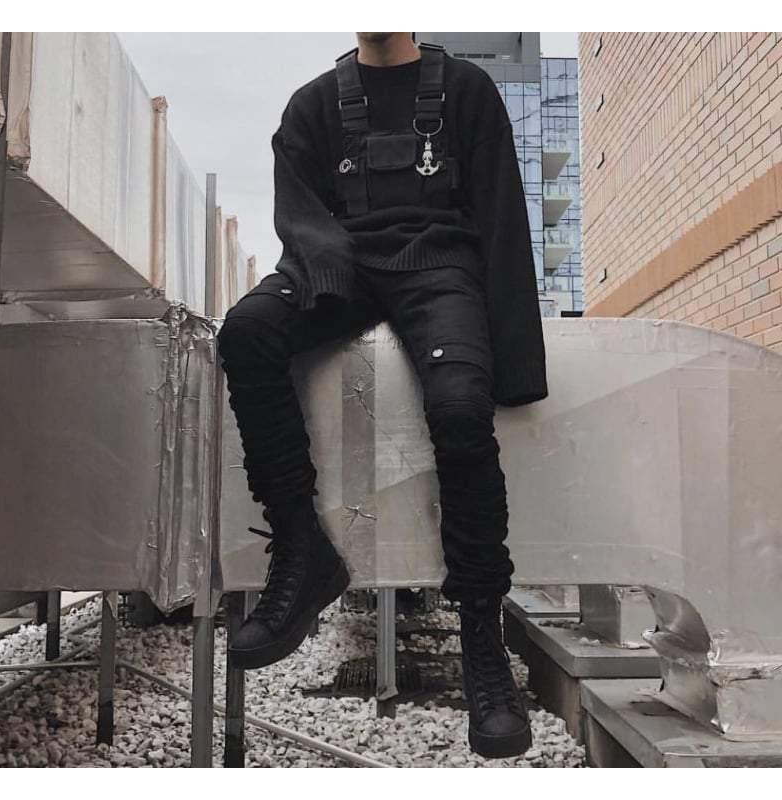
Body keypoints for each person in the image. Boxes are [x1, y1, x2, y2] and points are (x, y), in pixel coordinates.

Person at [217, 32, 548, 759]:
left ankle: (482, 637)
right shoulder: (311, 107)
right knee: (246, 331)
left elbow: (500, 217)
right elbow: (298, 213)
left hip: (441, 268)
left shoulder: (466, 91)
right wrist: (331, 270)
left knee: (460, 406)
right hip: (339, 267)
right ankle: (303, 552)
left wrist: (518, 364)